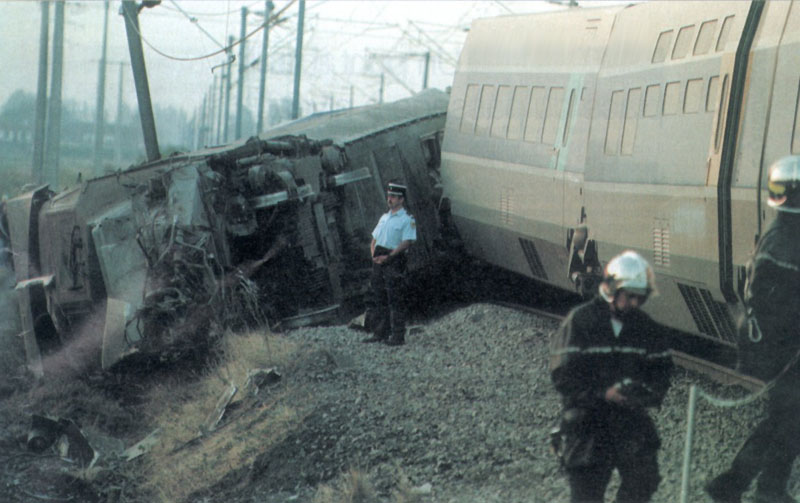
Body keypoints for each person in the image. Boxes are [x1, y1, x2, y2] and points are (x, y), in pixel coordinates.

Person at [705, 156, 800, 503]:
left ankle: (756, 487)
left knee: (787, 420)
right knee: (786, 421)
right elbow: (781, 301)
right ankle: (744, 485)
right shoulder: (786, 238)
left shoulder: (783, 232)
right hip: (785, 350)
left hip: (780, 346)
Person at [549, 250, 673, 503]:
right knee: (586, 494)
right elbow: (564, 375)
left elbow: (661, 369)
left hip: (630, 422)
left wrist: (646, 394)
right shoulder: (580, 322)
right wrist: (602, 394)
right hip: (588, 422)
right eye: (630, 297)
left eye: (641, 298)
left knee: (644, 481)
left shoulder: (647, 328)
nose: (635, 304)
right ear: (611, 290)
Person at [362, 181, 416, 346]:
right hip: (379, 259)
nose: (390, 199)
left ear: (401, 200)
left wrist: (390, 257)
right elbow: (374, 239)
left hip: (394, 259)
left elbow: (407, 241)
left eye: (393, 197)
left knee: (395, 298)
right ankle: (380, 333)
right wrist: (373, 255)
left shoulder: (407, 220)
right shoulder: (384, 218)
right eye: (389, 196)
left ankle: (398, 336)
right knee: (379, 297)